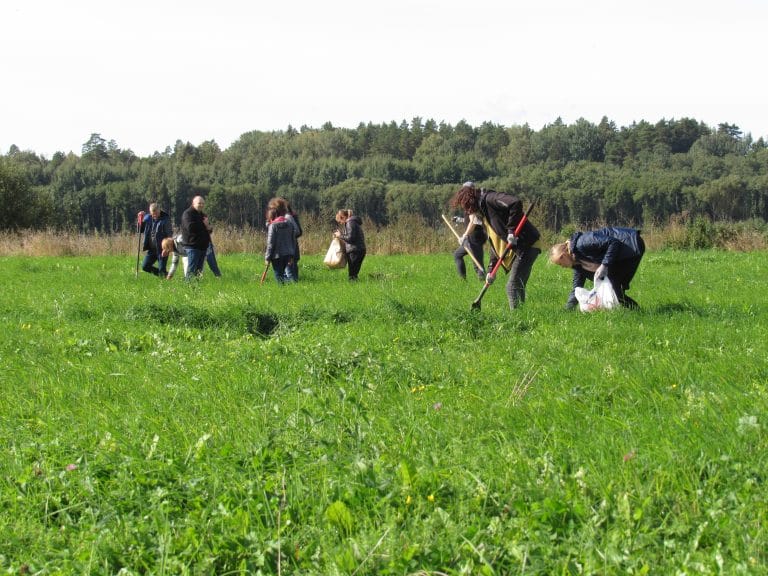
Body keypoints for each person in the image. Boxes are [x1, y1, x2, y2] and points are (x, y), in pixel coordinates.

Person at [450, 181, 541, 309]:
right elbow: (495, 243)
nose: (468, 211)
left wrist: (511, 231)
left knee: (512, 287)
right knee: (517, 285)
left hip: (527, 243)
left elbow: (515, 203)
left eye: (468, 208)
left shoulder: (490, 199)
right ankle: (523, 316)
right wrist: (491, 269)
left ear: (471, 201)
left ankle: (517, 321)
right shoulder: (483, 215)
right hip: (522, 247)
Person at [549, 227, 645, 309]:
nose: (562, 267)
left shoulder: (582, 243)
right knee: (614, 288)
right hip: (619, 253)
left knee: (615, 289)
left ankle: (637, 312)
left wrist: (604, 265)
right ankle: (635, 310)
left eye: (560, 264)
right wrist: (569, 308)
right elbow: (577, 287)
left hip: (631, 244)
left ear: (563, 256)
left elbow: (613, 243)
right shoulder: (577, 264)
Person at [268, 197, 302, 281]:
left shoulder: (287, 217)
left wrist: (284, 236)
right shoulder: (276, 221)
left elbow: (297, 232)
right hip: (285, 250)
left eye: (272, 209)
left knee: (290, 274)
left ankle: (292, 289)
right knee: (285, 275)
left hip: (289, 250)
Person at [137, 202, 173, 277]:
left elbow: (169, 235)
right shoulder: (148, 218)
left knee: (162, 270)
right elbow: (140, 230)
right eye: (153, 214)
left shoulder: (166, 220)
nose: (155, 215)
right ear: (150, 212)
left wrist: (166, 249)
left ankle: (163, 276)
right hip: (152, 249)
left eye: (156, 213)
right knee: (145, 266)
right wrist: (139, 220)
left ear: (159, 210)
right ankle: (166, 275)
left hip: (162, 249)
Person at [180, 195, 211, 279]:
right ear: (193, 203)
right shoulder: (188, 214)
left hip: (203, 247)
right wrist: (204, 225)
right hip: (192, 246)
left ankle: (196, 290)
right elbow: (190, 227)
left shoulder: (203, 215)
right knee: (191, 270)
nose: (201, 205)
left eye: (203, 203)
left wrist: (208, 226)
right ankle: (187, 289)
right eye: (199, 203)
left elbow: (209, 229)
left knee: (199, 272)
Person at [264, 206, 296, 284]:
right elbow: (293, 241)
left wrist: (267, 258)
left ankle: (282, 293)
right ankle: (286, 291)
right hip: (288, 254)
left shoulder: (273, 226)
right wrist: (292, 255)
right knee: (282, 276)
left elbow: (270, 244)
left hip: (277, 256)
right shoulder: (290, 224)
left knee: (279, 277)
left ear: (271, 217)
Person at [334, 209, 366, 281]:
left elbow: (351, 238)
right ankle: (356, 288)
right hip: (359, 250)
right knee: (354, 274)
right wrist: (342, 235)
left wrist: (340, 235)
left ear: (342, 217)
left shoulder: (350, 223)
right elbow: (351, 236)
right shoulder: (353, 222)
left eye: (340, 221)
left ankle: (355, 289)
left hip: (355, 251)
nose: (341, 223)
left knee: (352, 276)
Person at [453, 213, 486, 281]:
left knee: (478, 265)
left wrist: (464, 236)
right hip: (470, 239)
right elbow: (471, 220)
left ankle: (485, 285)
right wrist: (460, 220)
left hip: (475, 239)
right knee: (457, 255)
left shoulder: (471, 207)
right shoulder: (469, 207)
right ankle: (463, 280)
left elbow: (474, 222)